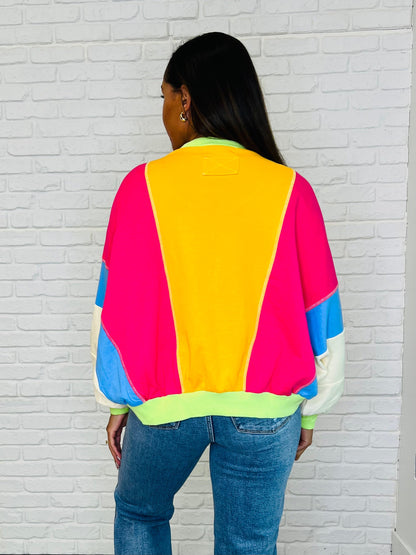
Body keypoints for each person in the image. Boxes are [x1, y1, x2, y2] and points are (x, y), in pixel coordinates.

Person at [90, 31, 345, 555]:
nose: (164, 111)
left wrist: (114, 402)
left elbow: (114, 311)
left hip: (163, 408)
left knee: (140, 513)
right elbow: (322, 312)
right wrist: (312, 409)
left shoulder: (140, 188)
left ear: (186, 98)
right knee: (248, 545)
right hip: (266, 411)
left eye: (164, 96)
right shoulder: (291, 190)